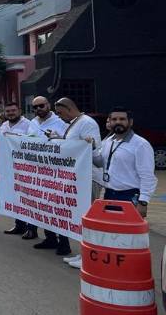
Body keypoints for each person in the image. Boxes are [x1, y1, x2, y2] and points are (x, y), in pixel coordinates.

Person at [53, 97, 103, 267]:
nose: (59, 116)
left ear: (69, 108)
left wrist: (89, 144)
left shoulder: (87, 123)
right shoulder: (75, 123)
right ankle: (83, 253)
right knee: (82, 217)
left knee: (88, 217)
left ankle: (88, 257)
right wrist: (58, 139)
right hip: (78, 178)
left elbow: (93, 148)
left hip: (89, 178)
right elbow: (73, 145)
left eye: (60, 113)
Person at [94, 106, 157, 216]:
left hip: (130, 196)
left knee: (128, 232)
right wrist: (89, 148)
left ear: (130, 122)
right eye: (114, 119)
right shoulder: (108, 141)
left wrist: (143, 202)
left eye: (122, 119)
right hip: (109, 194)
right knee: (112, 229)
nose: (118, 122)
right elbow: (100, 163)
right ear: (110, 122)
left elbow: (148, 176)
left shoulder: (141, 144)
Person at [27, 97, 71, 255]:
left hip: (56, 172)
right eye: (35, 107)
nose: (38, 109)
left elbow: (68, 144)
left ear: (48, 105)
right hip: (38, 172)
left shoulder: (60, 123)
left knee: (58, 208)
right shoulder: (32, 123)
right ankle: (50, 238)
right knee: (43, 206)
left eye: (41, 105)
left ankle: (64, 242)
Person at [0, 102, 33, 236]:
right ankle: (19, 225)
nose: (11, 113)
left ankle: (31, 228)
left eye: (13, 110)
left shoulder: (29, 124)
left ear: (19, 110)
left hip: (25, 167)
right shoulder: (4, 126)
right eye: (8, 111)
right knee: (16, 197)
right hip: (9, 167)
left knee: (28, 198)